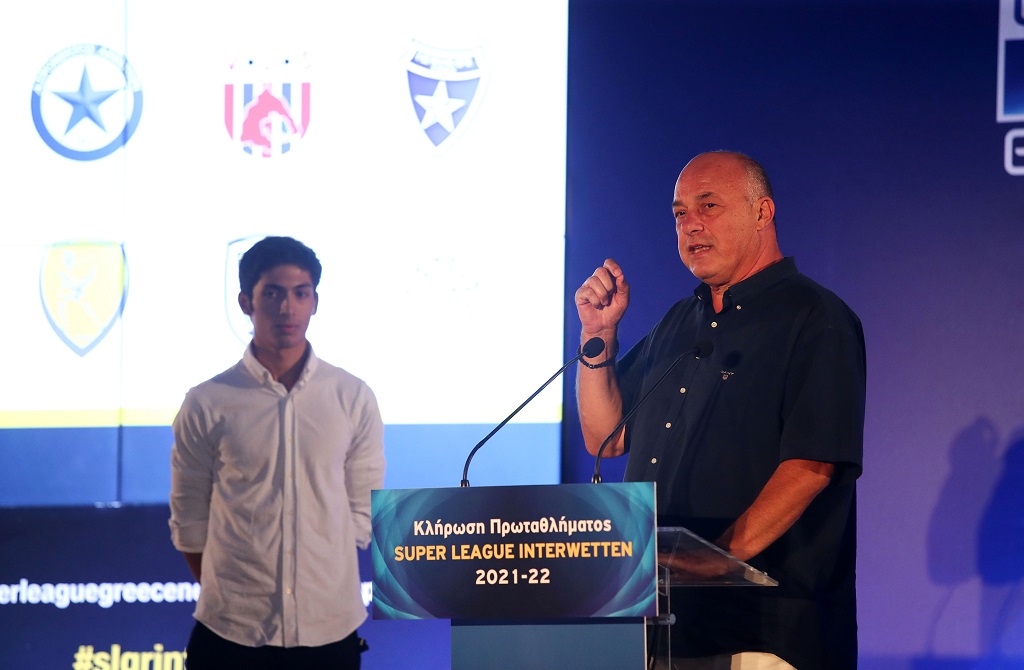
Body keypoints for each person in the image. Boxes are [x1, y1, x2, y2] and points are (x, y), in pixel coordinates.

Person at [575, 151, 865, 669]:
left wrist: (716, 559)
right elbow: (605, 438)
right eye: (680, 213)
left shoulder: (815, 318)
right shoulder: (677, 323)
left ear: (762, 212)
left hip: (763, 634)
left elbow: (811, 467)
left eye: (708, 206)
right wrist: (597, 337)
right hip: (661, 631)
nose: (691, 224)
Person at [169, 236, 386, 669]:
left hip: (330, 631)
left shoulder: (352, 396)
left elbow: (362, 511)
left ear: (315, 302)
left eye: (300, 293)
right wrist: (234, 597)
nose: (287, 308)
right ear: (245, 302)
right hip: (231, 633)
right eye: (272, 293)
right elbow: (190, 523)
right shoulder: (207, 402)